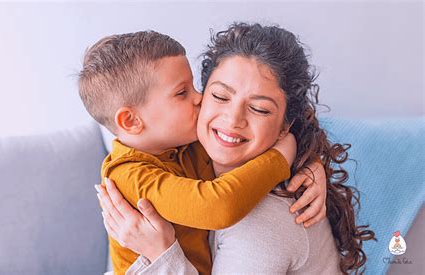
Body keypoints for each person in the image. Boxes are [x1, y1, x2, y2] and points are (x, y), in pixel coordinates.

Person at [97, 23, 376, 274]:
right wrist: (298, 152)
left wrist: (160, 253)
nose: (232, 120)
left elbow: (220, 205)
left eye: (259, 108)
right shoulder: (179, 152)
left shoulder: (262, 222)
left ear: (284, 126)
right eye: (219, 96)